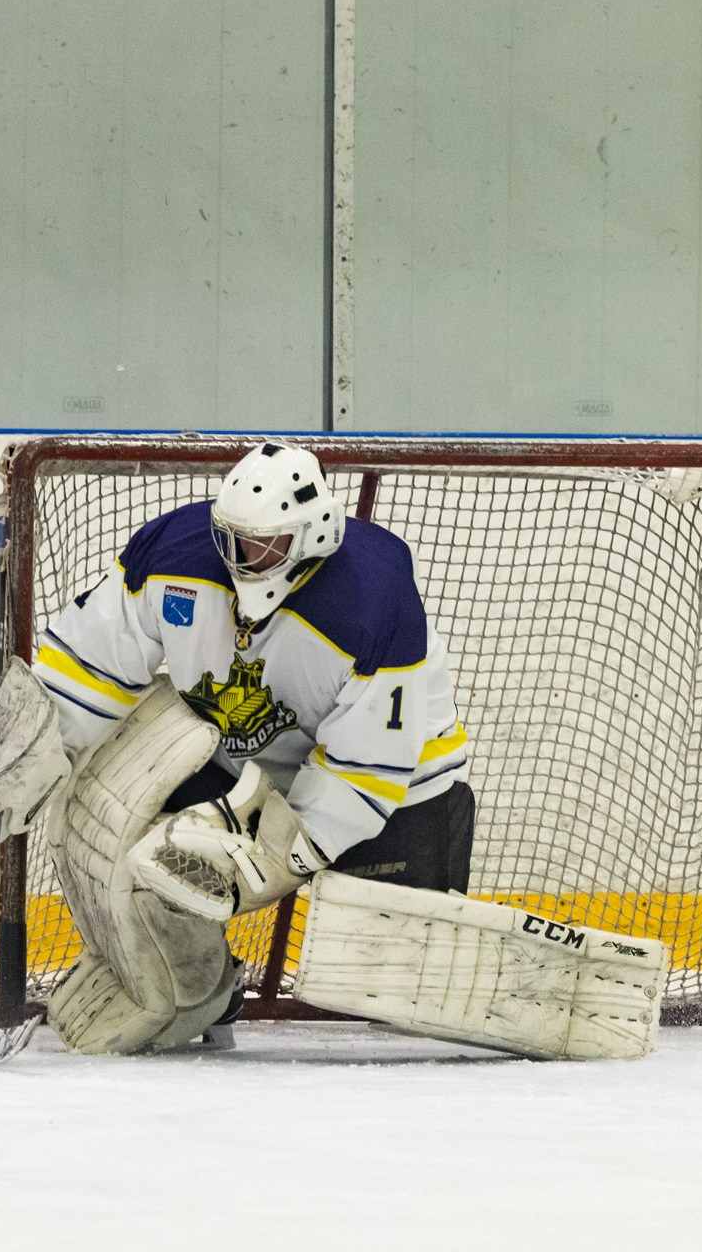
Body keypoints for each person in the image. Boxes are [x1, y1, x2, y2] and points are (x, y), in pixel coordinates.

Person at [28, 442, 474, 1053]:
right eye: (230, 537)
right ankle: (212, 989)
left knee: (397, 986)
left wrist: (281, 853)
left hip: (396, 789)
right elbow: (89, 667)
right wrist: (38, 753)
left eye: (261, 544)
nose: (238, 557)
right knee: (131, 845)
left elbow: (367, 768)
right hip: (237, 766)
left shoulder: (374, 599)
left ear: (312, 535)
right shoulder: (175, 552)